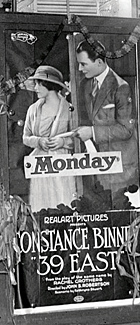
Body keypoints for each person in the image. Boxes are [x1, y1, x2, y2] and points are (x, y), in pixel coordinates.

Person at [74, 39, 139, 207]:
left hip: (122, 167)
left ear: (99, 62)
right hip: (101, 166)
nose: (80, 69)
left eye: (83, 64)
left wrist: (92, 132)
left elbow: (126, 129)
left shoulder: (121, 87)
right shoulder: (86, 85)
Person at [21, 65, 77, 214]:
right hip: (41, 164)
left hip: (63, 163)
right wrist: (39, 141)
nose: (36, 88)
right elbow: (26, 138)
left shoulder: (70, 108)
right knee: (41, 204)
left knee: (64, 202)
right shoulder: (33, 109)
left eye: (39, 84)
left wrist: (63, 142)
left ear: (50, 85)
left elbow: (78, 137)